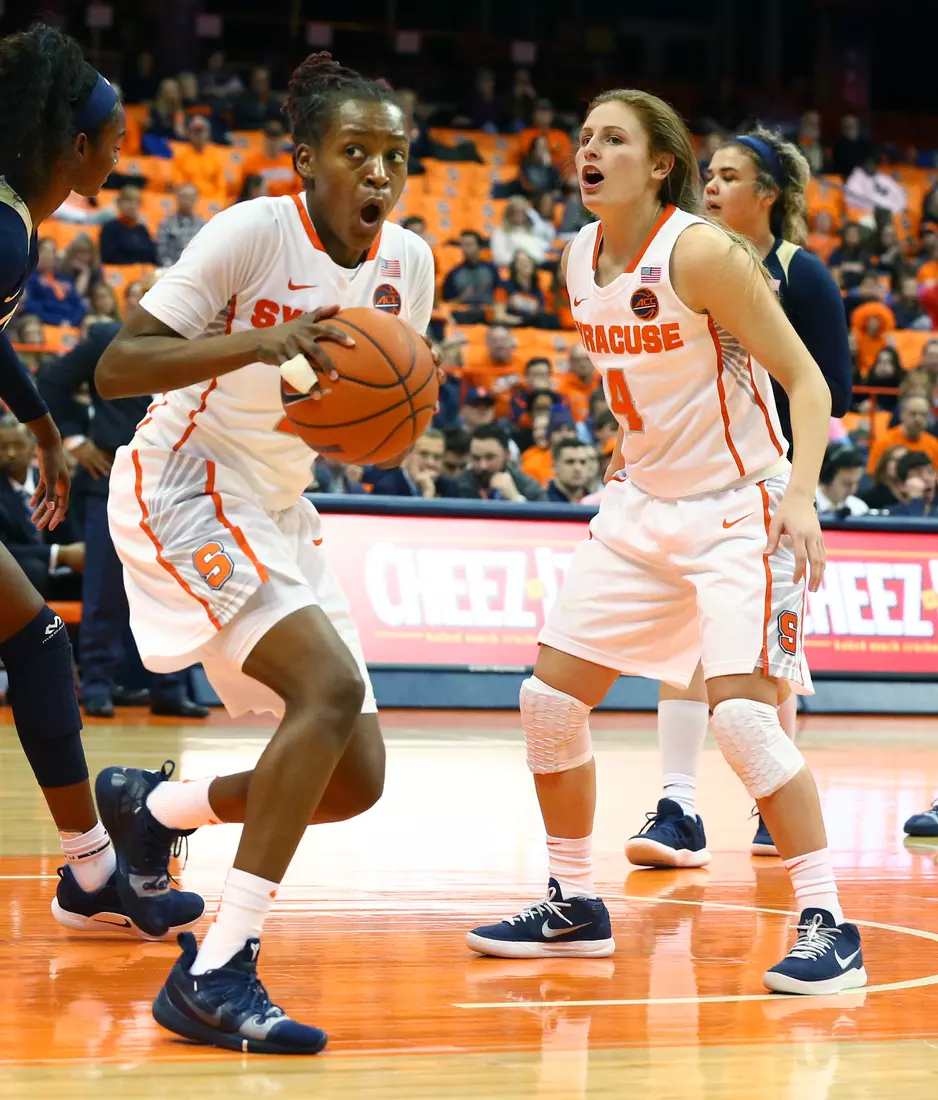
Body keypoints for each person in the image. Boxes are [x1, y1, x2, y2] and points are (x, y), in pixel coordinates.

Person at [467, 88, 866, 996]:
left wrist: (800, 499)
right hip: (642, 505)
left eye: (614, 138)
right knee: (549, 703)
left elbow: (807, 383)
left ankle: (826, 921)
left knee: (745, 720)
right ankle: (573, 901)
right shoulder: (577, 257)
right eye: (583, 138)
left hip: (738, 506)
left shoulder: (701, 251)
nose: (588, 150)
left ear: (660, 165)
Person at [94, 51, 435, 1054]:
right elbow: (120, 364)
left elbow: (365, 401)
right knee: (324, 692)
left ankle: (152, 807)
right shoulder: (253, 230)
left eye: (394, 156)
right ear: (306, 160)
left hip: (278, 500)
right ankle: (214, 967)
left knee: (355, 774)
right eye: (355, 151)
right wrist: (258, 340)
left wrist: (372, 416)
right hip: (187, 478)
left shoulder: (404, 264)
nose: (377, 173)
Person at [0, 23, 203, 936]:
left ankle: (90, 872)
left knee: (38, 636)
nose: (128, 144)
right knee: (37, 639)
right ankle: (90, 869)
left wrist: (43, 429)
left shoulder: (13, 218)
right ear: (74, 145)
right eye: (117, 131)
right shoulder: (4, 231)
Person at [624, 125, 854, 868]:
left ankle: (766, 801)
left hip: (767, 479)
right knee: (685, 642)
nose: (712, 186)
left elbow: (834, 391)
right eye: (709, 175)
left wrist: (796, 486)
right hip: (683, 480)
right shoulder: (679, 260)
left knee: (764, 657)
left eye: (729, 176)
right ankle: (678, 805)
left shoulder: (801, 274)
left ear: (768, 195)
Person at [38, 321, 211, 720]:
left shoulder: (210, 342)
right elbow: (49, 381)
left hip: (179, 485)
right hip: (114, 479)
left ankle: (171, 687)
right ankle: (97, 685)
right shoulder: (108, 338)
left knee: (175, 592)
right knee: (105, 591)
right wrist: (75, 441)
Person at [0, 415, 84, 598]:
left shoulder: (52, 480)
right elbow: (4, 549)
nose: (11, 453)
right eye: (3, 447)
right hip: (18, 571)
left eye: (18, 445)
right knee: (33, 572)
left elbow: (74, 529)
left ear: (32, 447)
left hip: (60, 567)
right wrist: (58, 553)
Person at [439, 423, 544, 501]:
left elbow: (544, 527)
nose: (483, 466)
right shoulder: (457, 487)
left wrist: (515, 498)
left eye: (490, 457)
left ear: (507, 455)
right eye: (476, 458)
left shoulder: (529, 488)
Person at [867, 394, 938, 475]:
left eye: (923, 415)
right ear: (902, 414)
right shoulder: (884, 441)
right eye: (913, 413)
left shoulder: (933, 444)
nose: (918, 419)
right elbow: (873, 473)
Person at [25, 237, 88, 327]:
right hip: (44, 323)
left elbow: (78, 303)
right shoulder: (30, 278)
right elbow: (31, 305)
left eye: (52, 252)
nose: (48, 256)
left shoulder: (64, 279)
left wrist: (70, 322)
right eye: (45, 251)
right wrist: (57, 321)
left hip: (70, 324)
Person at [364, 427, 444, 497]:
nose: (430, 462)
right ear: (408, 454)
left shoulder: (449, 488)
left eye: (437, 457)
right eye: (423, 454)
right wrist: (428, 493)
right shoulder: (386, 488)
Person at [172, 115, 227, 205]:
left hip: (212, 202)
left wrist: (216, 203)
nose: (198, 135)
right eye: (195, 131)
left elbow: (221, 186)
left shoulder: (216, 154)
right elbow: (178, 185)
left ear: (207, 133)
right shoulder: (180, 156)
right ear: (189, 133)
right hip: (189, 203)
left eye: (201, 131)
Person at [238, 119, 297, 199]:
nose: (272, 143)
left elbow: (299, 190)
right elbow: (245, 193)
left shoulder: (292, 163)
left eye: (276, 139)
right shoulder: (251, 163)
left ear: (283, 139)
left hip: (287, 206)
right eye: (269, 138)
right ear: (264, 138)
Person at [99, 185, 158, 265]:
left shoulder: (142, 229)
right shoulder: (109, 228)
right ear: (119, 203)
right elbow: (108, 256)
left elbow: (152, 254)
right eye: (128, 201)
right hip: (121, 273)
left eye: (136, 202)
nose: (132, 206)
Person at [156, 183, 206, 268]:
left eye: (190, 197)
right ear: (177, 198)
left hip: (197, 269)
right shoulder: (166, 223)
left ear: (196, 199)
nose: (187, 200)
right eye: (183, 196)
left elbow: (206, 251)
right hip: (172, 269)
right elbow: (161, 252)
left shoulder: (203, 225)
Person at [815, 444, 869, 517]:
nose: (853, 490)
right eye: (847, 484)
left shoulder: (860, 509)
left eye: (856, 482)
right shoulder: (803, 505)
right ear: (826, 479)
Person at [546, 438, 594, 503]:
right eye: (570, 462)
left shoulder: (597, 503)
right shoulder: (541, 501)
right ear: (554, 466)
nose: (578, 468)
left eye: (583, 462)